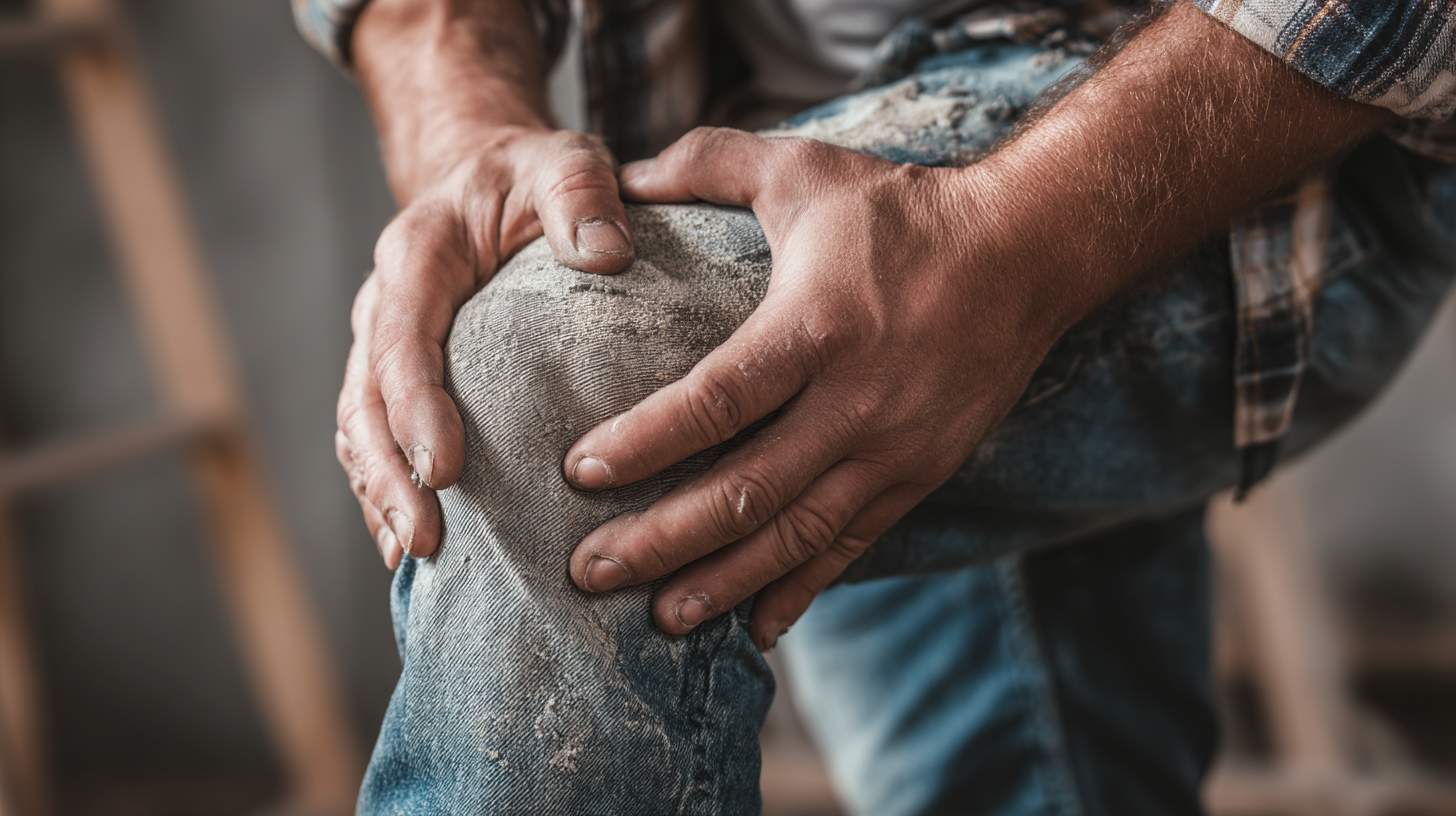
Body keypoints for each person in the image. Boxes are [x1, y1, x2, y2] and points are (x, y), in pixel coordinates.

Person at [295, 0, 1456, 813]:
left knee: (561, 369)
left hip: (1242, 108)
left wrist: (1006, 245)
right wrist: (461, 121)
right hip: (789, 137)